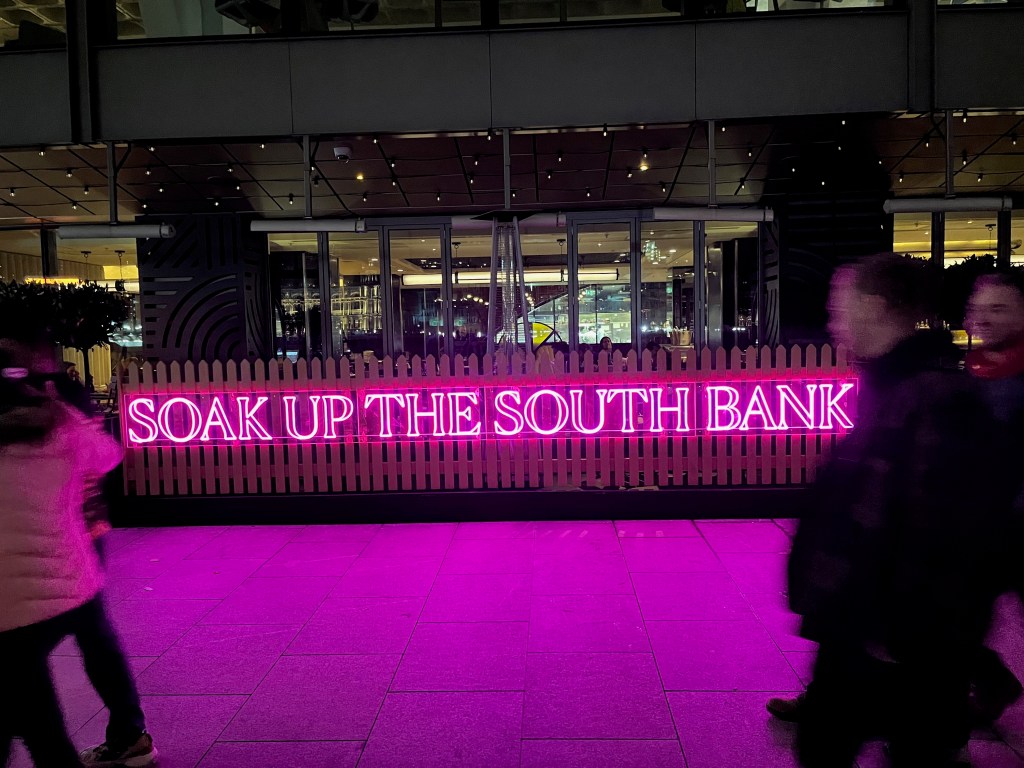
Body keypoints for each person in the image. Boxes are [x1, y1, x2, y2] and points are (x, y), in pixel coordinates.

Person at [783, 254, 1016, 767]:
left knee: (858, 747)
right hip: (864, 621)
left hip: (893, 636)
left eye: (838, 306)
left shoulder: (935, 396)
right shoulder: (891, 387)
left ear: (873, 307)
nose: (831, 321)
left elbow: (944, 527)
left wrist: (899, 635)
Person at [0, 342, 127, 767]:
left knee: (37, 725)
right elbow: (108, 455)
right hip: (71, 582)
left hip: (9, 608)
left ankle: (128, 733)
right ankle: (130, 732)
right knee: (38, 724)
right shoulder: (62, 422)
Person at [961, 271, 1024, 724]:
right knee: (957, 619)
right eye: (980, 307)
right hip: (986, 522)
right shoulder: (978, 367)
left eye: (998, 308)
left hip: (1017, 522)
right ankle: (992, 683)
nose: (984, 316)